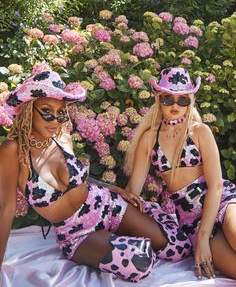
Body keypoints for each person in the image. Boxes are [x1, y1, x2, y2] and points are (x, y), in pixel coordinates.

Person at [0, 66, 191, 283]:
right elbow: (6, 208)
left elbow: (79, 181)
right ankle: (123, 239)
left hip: (105, 204)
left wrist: (116, 190)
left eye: (61, 112)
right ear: (28, 109)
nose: (55, 120)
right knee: (139, 261)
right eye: (46, 111)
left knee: (179, 248)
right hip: (77, 234)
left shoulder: (61, 138)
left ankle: (146, 218)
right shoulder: (13, 150)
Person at [125, 67, 236, 280]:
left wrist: (203, 240)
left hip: (222, 201)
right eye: (168, 99)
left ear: (190, 101)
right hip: (191, 218)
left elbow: (216, 186)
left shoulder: (200, 131)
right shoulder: (149, 139)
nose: (175, 105)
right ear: (158, 99)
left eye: (182, 100)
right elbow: (133, 191)